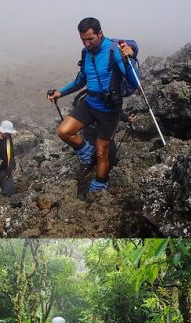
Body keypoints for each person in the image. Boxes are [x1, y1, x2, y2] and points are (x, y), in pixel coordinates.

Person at [47, 17, 138, 193]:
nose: (87, 43)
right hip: (89, 103)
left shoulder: (114, 51)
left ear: (100, 34)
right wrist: (61, 92)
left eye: (90, 39)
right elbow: (81, 79)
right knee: (63, 131)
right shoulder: (86, 52)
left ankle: (99, 185)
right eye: (83, 39)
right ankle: (86, 152)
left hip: (109, 110)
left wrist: (129, 58)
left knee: (102, 153)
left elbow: (134, 82)